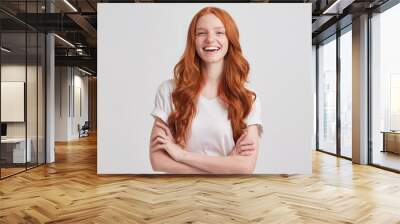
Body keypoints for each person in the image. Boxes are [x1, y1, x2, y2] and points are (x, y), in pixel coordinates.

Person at [149, 6, 262, 174]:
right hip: (179, 193)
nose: (210, 39)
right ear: (192, 41)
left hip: (228, 194)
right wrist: (226, 164)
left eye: (219, 32)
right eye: (201, 33)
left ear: (230, 39)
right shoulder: (168, 90)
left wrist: (181, 156)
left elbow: (246, 166)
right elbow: (158, 161)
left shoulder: (247, 98)